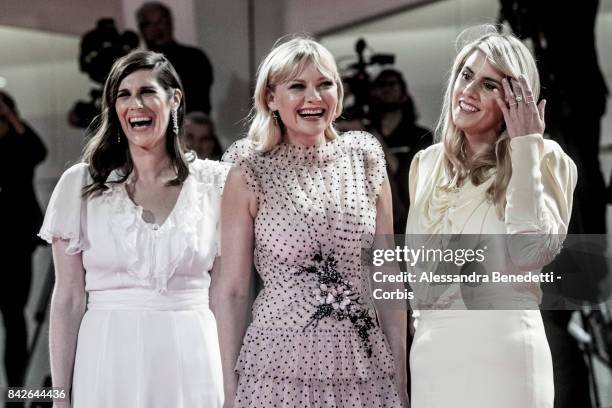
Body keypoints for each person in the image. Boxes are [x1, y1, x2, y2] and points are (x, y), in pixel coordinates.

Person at [214, 36, 408, 407]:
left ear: (339, 92)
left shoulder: (365, 157)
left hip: (362, 366)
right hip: (277, 367)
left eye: (324, 84)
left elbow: (387, 275)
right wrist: (228, 389)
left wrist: (400, 378)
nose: (313, 98)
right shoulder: (249, 170)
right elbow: (233, 290)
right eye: (297, 87)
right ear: (271, 98)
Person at [39, 51, 228, 408]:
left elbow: (226, 296)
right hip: (106, 361)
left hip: (194, 363)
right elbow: (67, 299)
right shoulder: (79, 185)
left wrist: (234, 390)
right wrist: (60, 398)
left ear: (174, 100)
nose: (134, 104)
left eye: (146, 92)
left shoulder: (216, 184)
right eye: (123, 94)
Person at [405, 26, 577, 408]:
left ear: (516, 101)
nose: (468, 91)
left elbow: (531, 251)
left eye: (489, 85)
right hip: (433, 358)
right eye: (466, 75)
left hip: (506, 352)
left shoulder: (546, 158)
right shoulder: (425, 165)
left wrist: (526, 147)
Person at [0, 91, 47, 394]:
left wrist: (12, 116)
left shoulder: (20, 140)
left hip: (17, 239)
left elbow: (38, 152)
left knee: (14, 315)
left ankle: (15, 385)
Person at [369, 69, 433, 233]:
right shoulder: (359, 135)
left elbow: (407, 179)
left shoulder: (421, 136)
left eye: (392, 84)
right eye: (380, 85)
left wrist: (374, 139)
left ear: (404, 94)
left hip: (407, 227)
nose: (386, 89)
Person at [136, 1, 214, 114]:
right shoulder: (138, 64)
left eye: (161, 21)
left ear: (170, 22)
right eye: (149, 24)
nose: (156, 28)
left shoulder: (195, 58)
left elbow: (198, 103)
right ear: (142, 29)